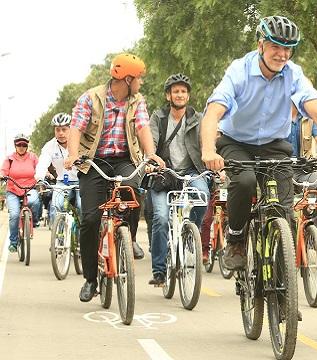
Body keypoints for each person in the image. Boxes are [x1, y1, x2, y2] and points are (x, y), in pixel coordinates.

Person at [200, 15, 317, 270]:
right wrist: (209, 150)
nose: (282, 54)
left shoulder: (293, 74)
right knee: (244, 182)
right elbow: (213, 113)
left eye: (287, 48)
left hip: (274, 143)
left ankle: (282, 285)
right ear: (261, 45)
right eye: (276, 46)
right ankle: (236, 237)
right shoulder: (239, 71)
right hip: (236, 141)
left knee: (283, 210)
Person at [64, 53, 165, 302]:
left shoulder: (137, 100)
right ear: (127, 78)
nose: (141, 83)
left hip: (123, 159)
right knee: (90, 219)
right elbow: (76, 127)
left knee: (131, 189)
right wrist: (74, 155)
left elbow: (142, 127)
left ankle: (127, 238)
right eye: (139, 78)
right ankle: (90, 279)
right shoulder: (91, 98)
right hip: (93, 161)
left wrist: (150, 154)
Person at [147, 73, 208, 286]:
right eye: (176, 91)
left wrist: (214, 162)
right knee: (161, 218)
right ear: (168, 95)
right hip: (164, 173)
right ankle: (159, 271)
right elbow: (151, 140)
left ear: (188, 96)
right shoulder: (158, 117)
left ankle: (191, 235)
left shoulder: (197, 118)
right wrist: (151, 160)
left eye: (183, 91)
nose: (180, 95)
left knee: (203, 198)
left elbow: (206, 142)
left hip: (191, 171)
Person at [289, 106, 317, 253]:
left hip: (303, 170)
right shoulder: (276, 114)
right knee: (283, 205)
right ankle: (286, 237)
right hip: (281, 170)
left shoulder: (308, 119)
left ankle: (315, 233)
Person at [35, 113, 81, 224]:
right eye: (58, 130)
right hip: (62, 182)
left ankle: (83, 238)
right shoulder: (49, 146)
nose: (61, 133)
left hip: (81, 181)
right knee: (55, 206)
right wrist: (40, 179)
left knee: (82, 207)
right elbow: (42, 163)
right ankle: (59, 238)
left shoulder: (81, 143)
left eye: (64, 129)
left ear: (71, 129)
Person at [0, 134, 41, 252]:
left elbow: (40, 168)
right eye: (19, 144)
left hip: (29, 189)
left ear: (27, 146)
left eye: (24, 144)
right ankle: (13, 242)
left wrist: (46, 174)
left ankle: (34, 221)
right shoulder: (9, 159)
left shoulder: (33, 157)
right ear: (15, 146)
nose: (21, 147)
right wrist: (2, 175)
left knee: (35, 201)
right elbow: (3, 170)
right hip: (13, 190)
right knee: (14, 215)